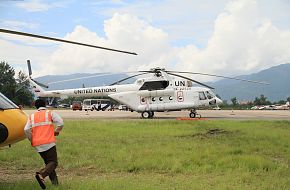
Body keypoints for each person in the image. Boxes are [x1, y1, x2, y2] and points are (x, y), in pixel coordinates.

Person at [24, 99, 64, 189]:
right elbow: (61, 122)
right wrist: (57, 131)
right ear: (45, 104)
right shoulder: (50, 113)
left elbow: (26, 129)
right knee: (53, 162)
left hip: (37, 144)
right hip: (48, 142)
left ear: (35, 106)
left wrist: (32, 140)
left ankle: (55, 185)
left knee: (48, 164)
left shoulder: (32, 116)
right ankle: (41, 175)